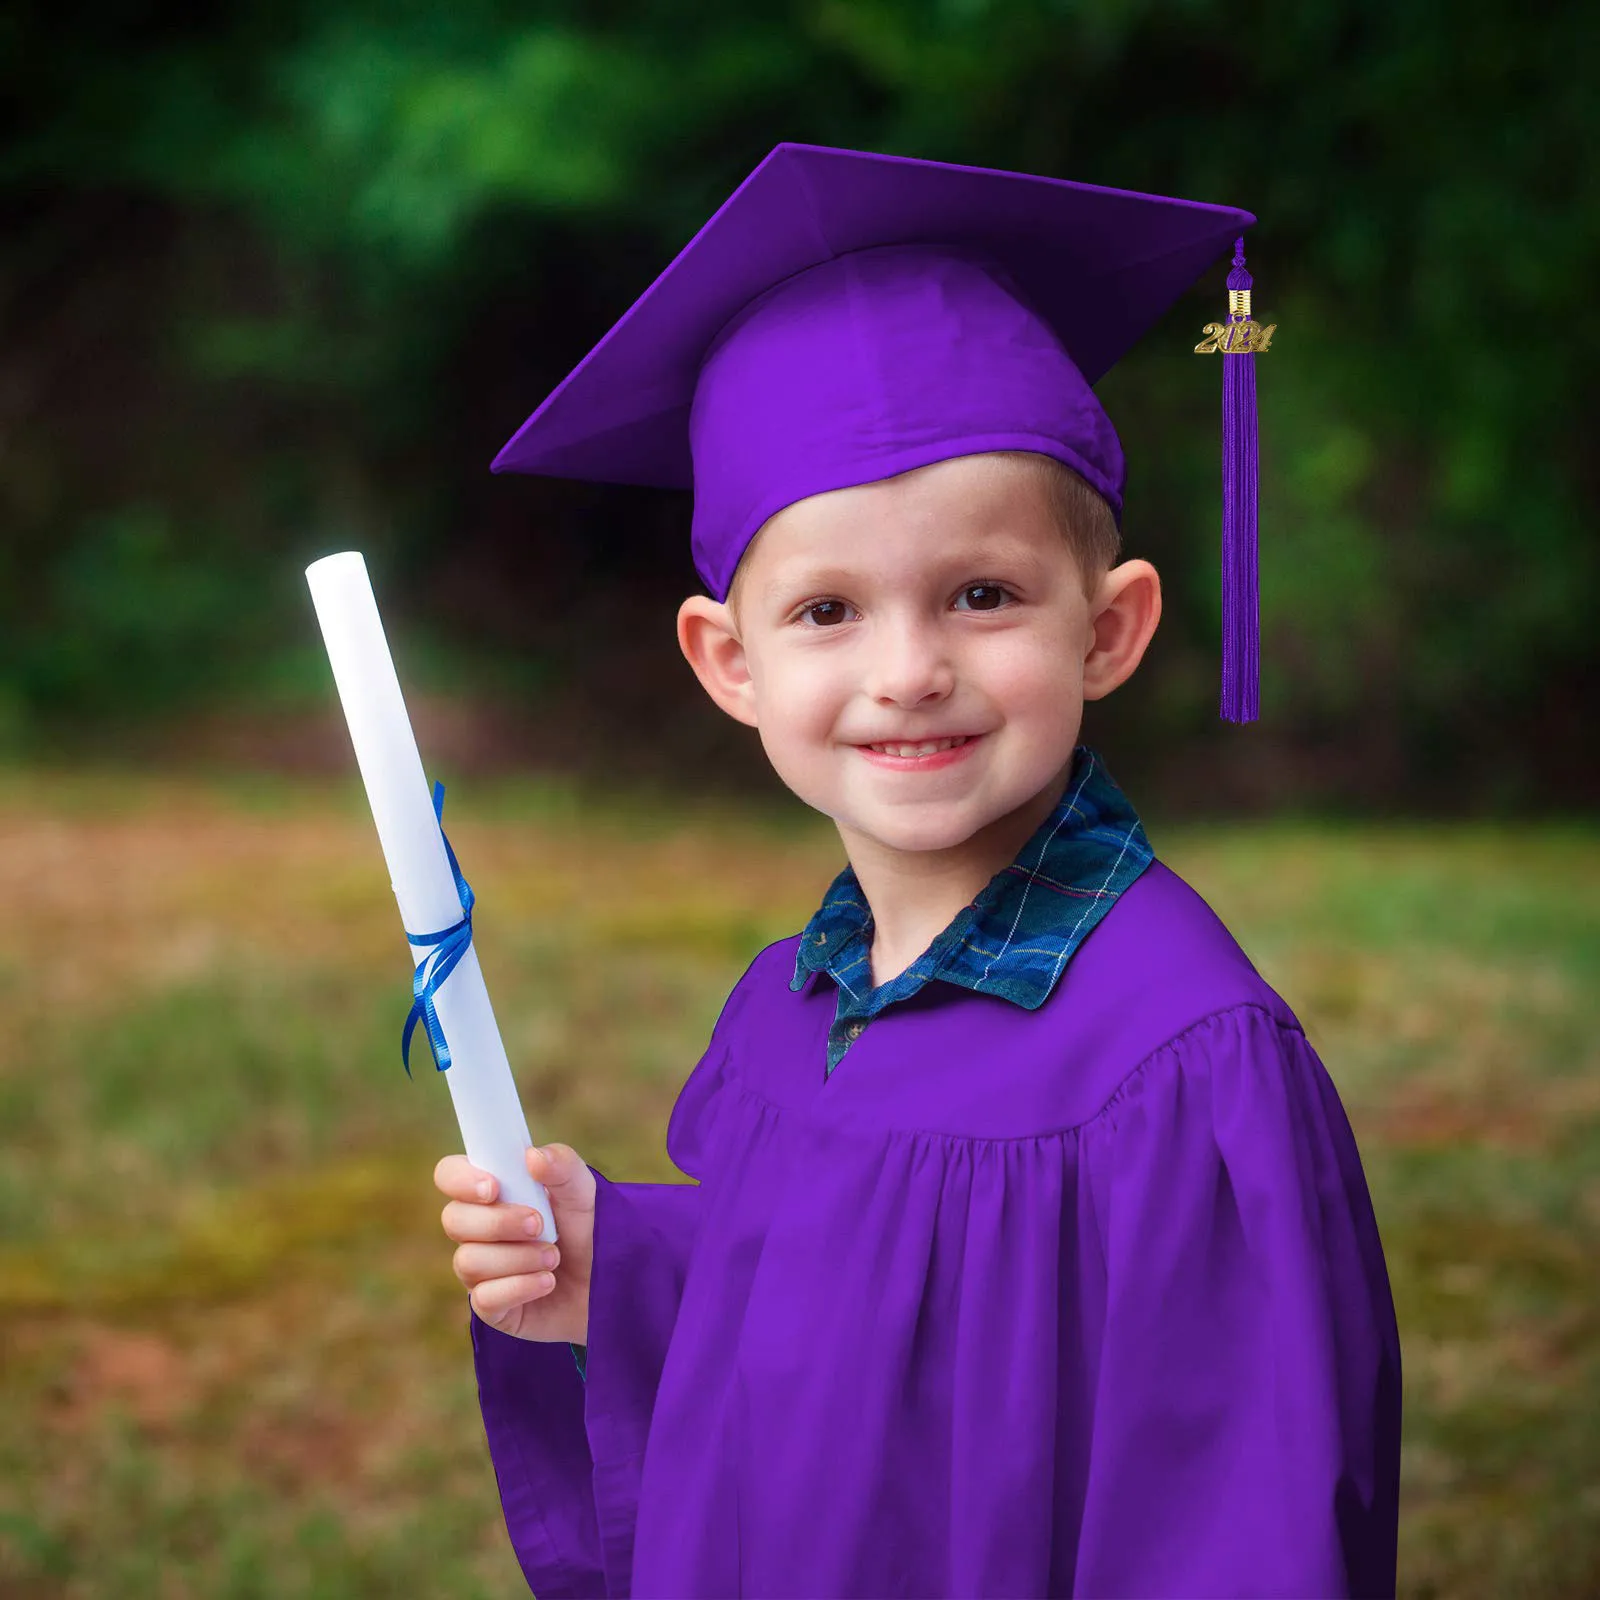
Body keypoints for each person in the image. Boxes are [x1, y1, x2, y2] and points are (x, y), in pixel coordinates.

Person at [433, 143, 1402, 1597]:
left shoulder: (1187, 1074)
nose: (910, 672)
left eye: (983, 594)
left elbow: (1231, 1535)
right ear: (729, 664)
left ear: (1111, 628)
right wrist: (622, 1273)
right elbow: (862, 1347)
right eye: (828, 609)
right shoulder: (793, 1002)